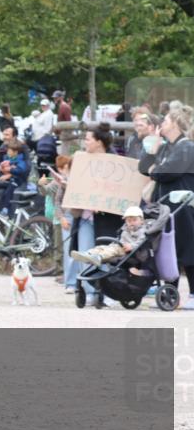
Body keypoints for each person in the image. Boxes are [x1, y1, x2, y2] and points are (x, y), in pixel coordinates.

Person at [138, 109, 194, 309]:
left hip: (184, 205)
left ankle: (193, 295)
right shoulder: (164, 147)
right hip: (164, 206)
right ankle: (171, 293)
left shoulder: (186, 147)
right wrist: (151, 151)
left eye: (167, 120)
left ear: (176, 124)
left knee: (188, 249)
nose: (163, 122)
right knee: (167, 250)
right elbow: (144, 168)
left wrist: (156, 170)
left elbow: (166, 172)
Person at [71, 123, 124, 306]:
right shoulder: (82, 161)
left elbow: (119, 190)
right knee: (86, 256)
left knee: (106, 255)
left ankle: (109, 292)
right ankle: (91, 292)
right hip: (85, 217)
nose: (84, 141)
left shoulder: (115, 162)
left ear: (99, 142)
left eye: (87, 139)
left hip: (107, 218)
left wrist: (101, 202)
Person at [71, 205, 154, 268]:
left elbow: (141, 242)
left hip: (130, 251)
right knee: (102, 247)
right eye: (129, 221)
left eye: (134, 220)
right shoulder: (125, 229)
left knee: (113, 250)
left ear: (142, 221)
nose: (131, 223)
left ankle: (99, 257)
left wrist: (132, 246)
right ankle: (88, 254)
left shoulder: (143, 231)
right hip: (119, 246)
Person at [38, 155, 75, 294]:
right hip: (59, 218)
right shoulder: (57, 182)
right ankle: (62, 272)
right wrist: (41, 184)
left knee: (64, 247)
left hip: (66, 217)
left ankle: (65, 274)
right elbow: (46, 192)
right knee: (60, 247)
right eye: (65, 167)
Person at [0, 138, 29, 216]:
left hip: (17, 180)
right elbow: (1, 169)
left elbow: (21, 170)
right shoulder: (6, 158)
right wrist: (1, 168)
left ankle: (6, 208)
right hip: (9, 179)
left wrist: (10, 169)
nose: (7, 152)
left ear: (15, 152)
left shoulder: (21, 160)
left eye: (9, 151)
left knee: (8, 191)